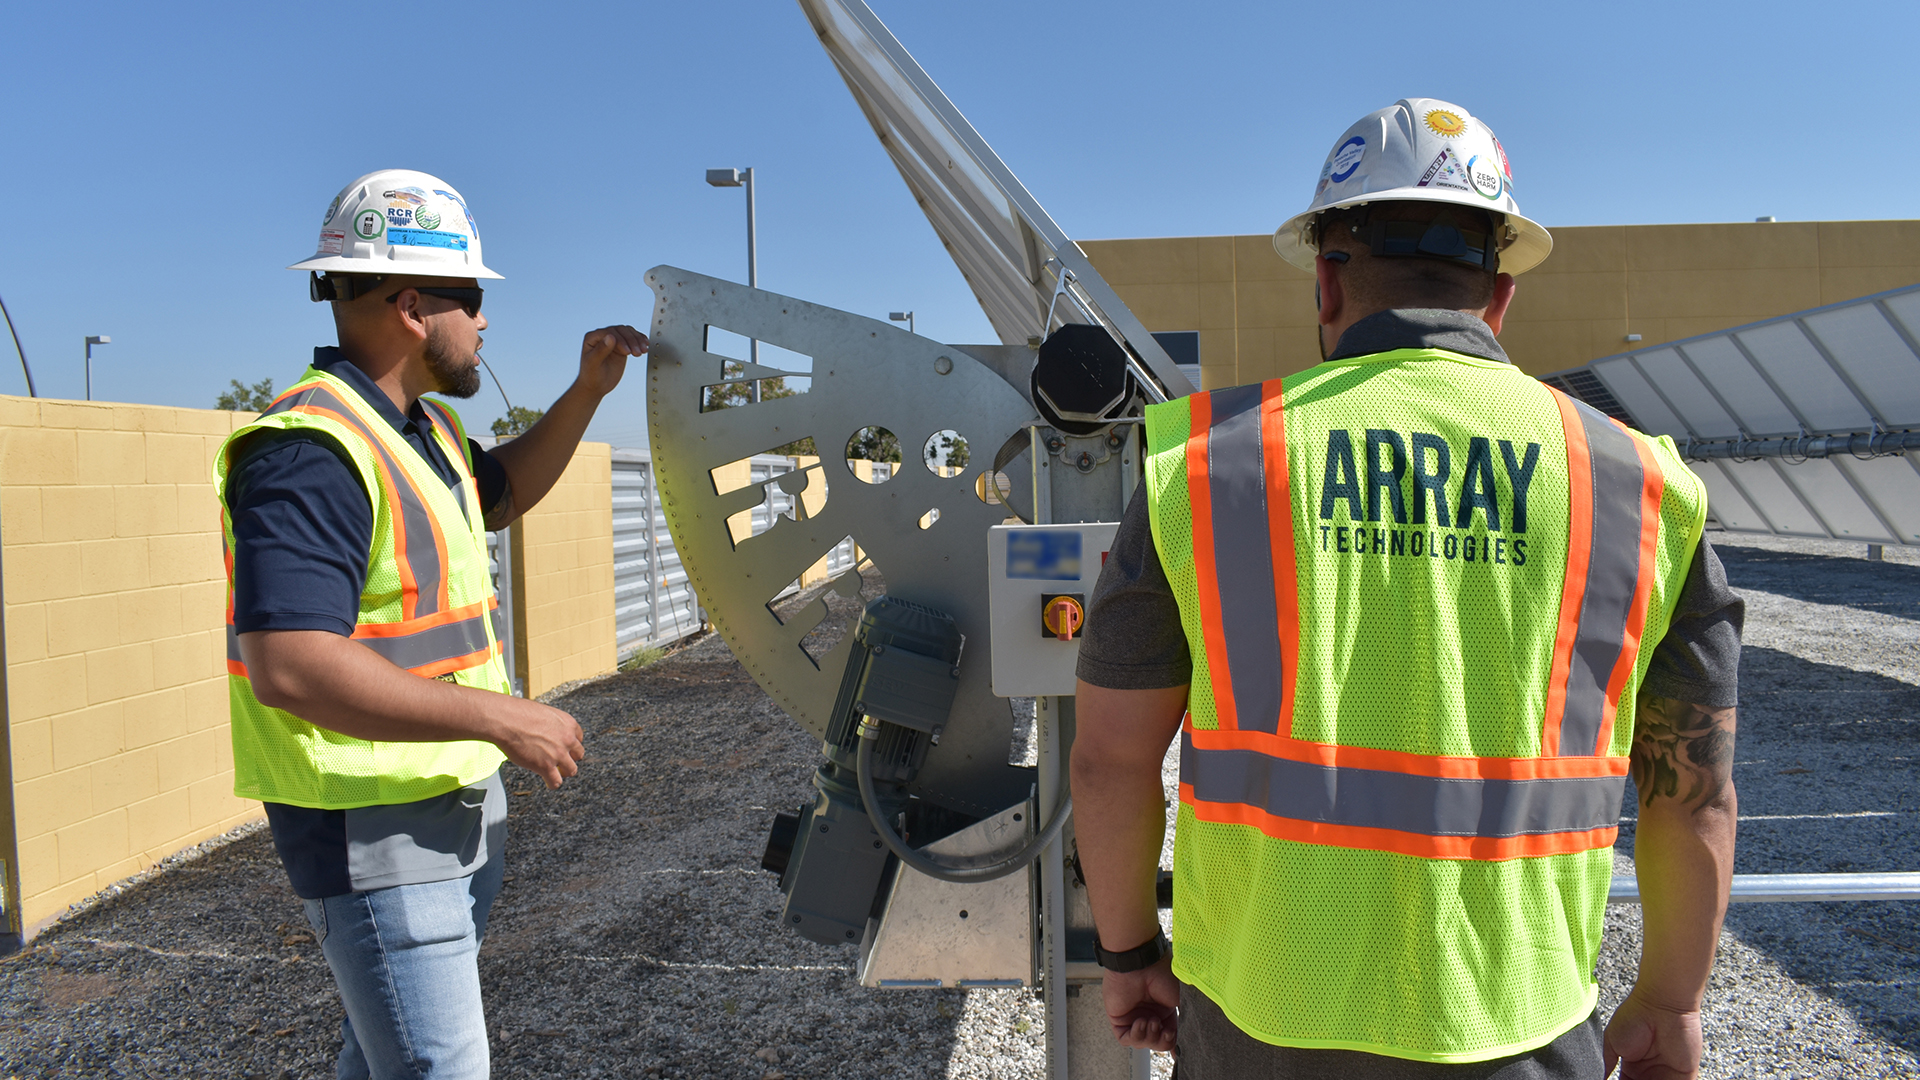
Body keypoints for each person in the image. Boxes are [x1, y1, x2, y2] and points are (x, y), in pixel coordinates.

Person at [1070, 100, 1743, 1079]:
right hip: (1521, 1020)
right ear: (1501, 294)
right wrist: (1673, 999)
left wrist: (1130, 954)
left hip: (1262, 1017)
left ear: (1327, 281)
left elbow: (1109, 763)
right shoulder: (1640, 486)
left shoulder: (1207, 466)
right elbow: (1696, 795)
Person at [217, 169, 647, 1079]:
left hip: (451, 809)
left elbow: (503, 493)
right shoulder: (308, 451)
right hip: (375, 829)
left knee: (382, 1061)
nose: (485, 322)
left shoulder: (422, 430)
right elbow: (290, 664)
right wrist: (502, 717)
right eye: (475, 299)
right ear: (412, 306)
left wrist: (586, 393)